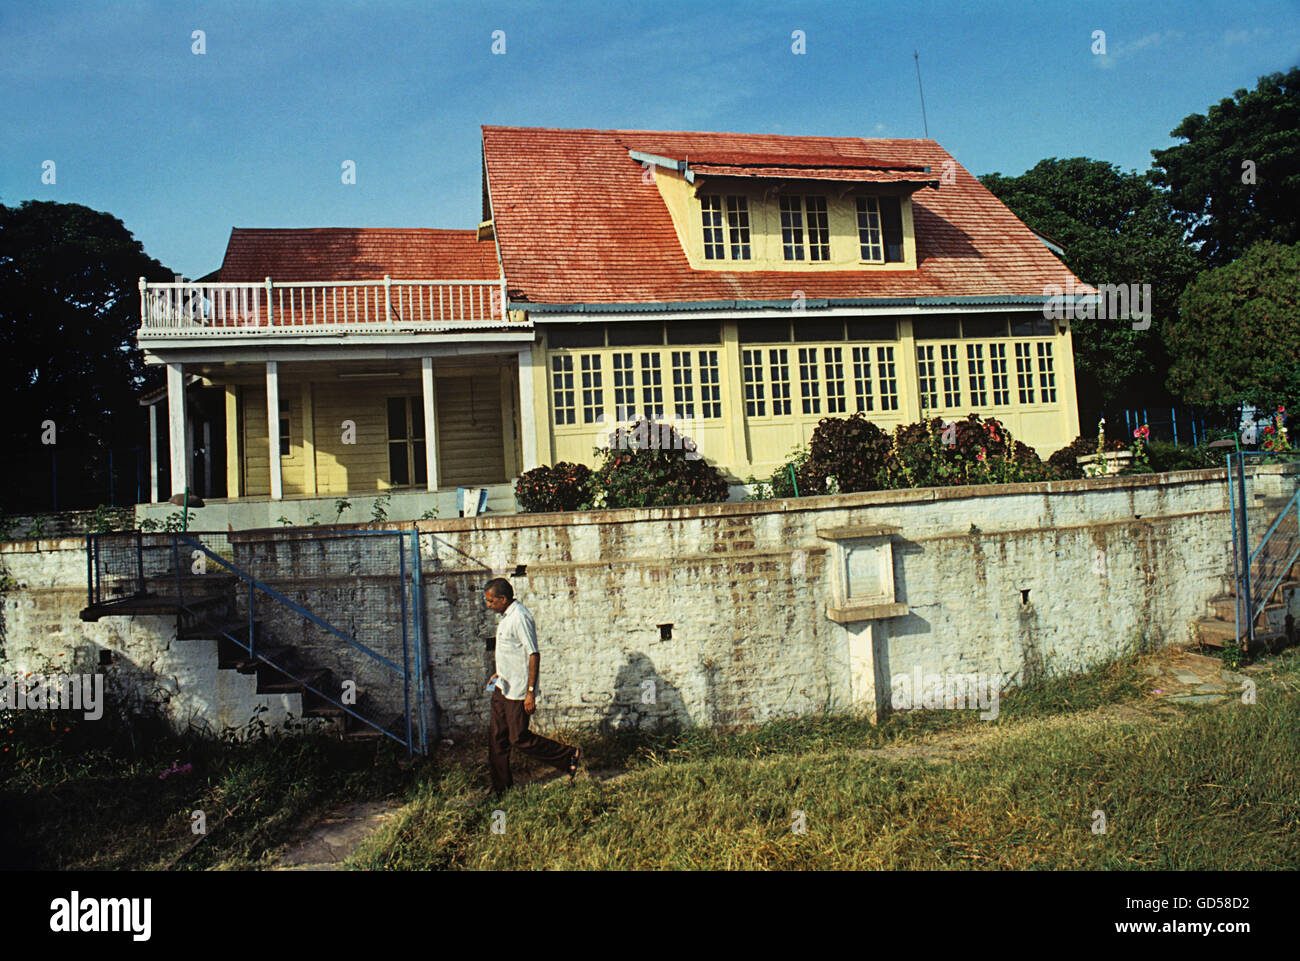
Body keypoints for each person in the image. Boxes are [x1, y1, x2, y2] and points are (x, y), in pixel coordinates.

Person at [483, 578, 579, 793]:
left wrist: (530, 692)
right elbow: (511, 650)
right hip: (502, 686)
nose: (488, 605)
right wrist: (499, 672)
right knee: (497, 738)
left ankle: (567, 755)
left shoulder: (520, 617)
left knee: (518, 738)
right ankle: (501, 789)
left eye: (490, 601)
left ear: (503, 599)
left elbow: (533, 654)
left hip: (517, 691)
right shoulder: (506, 616)